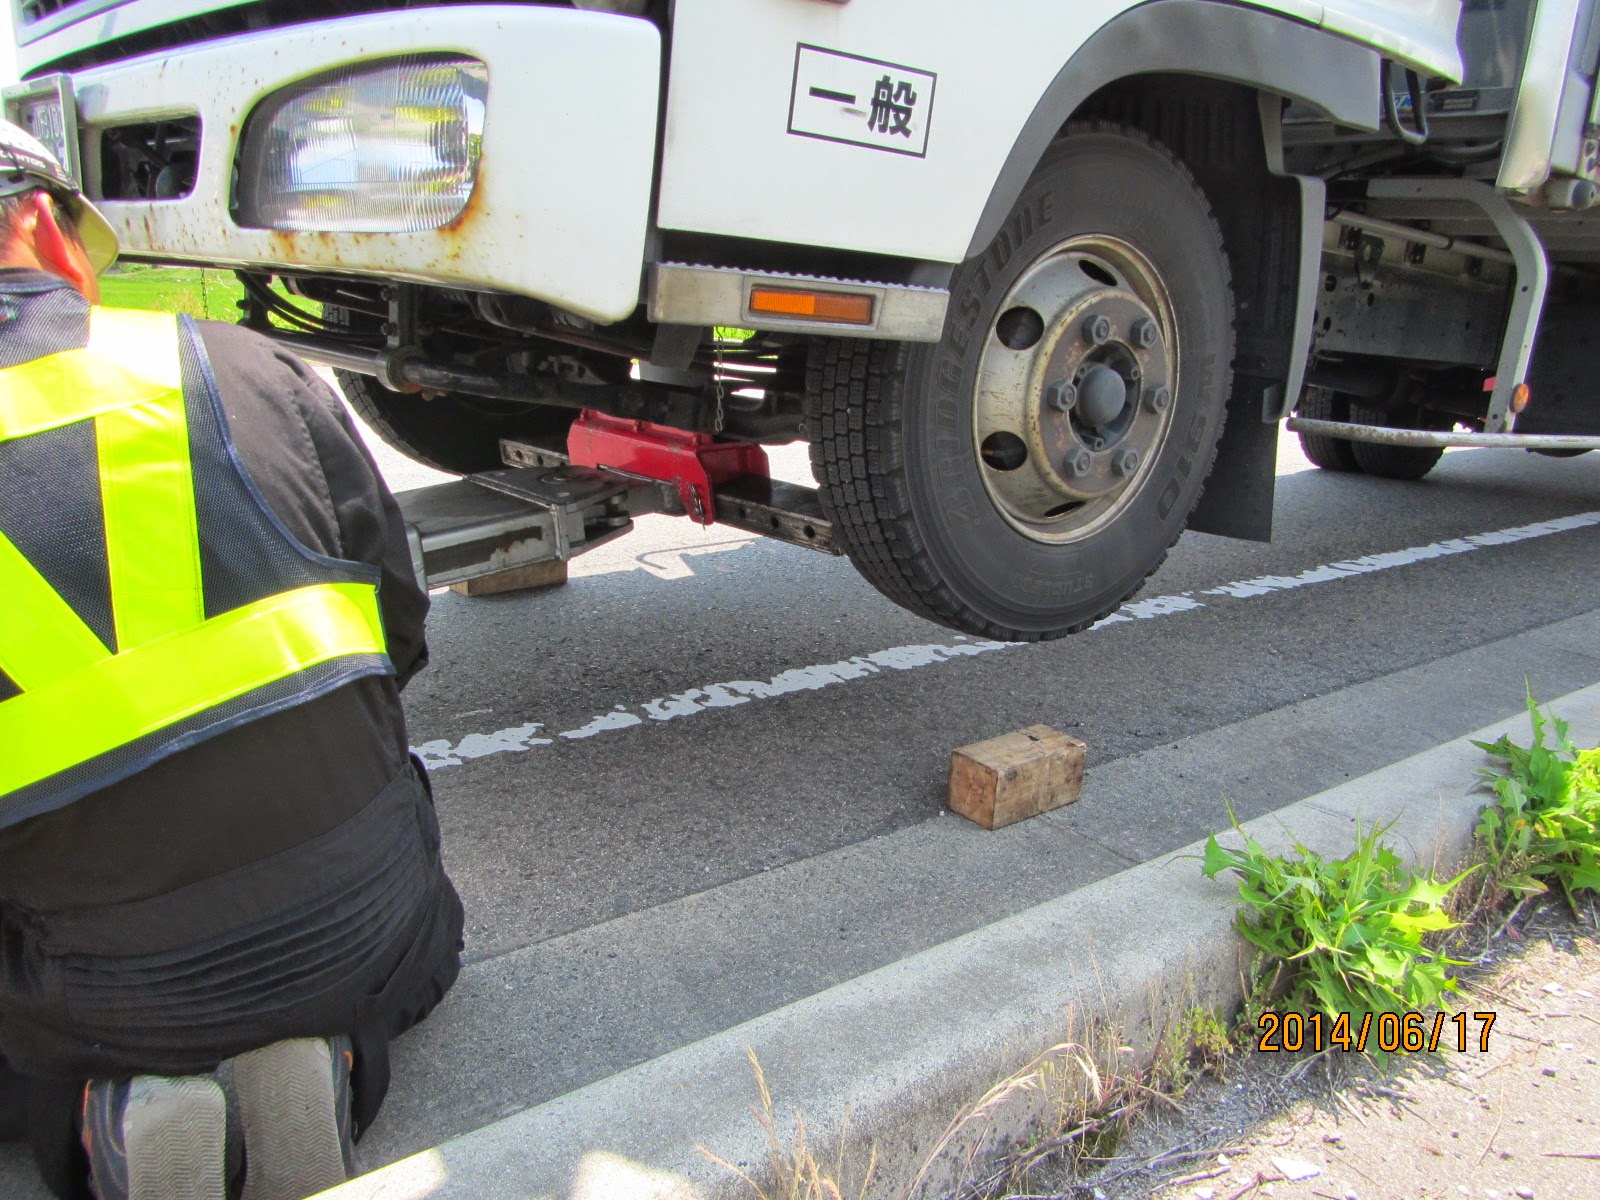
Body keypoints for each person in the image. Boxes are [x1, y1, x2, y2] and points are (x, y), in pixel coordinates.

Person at [0, 120, 464, 1200]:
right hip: (375, 929)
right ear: (38, 222)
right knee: (386, 815)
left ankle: (109, 1106)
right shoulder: (249, 366)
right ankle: (328, 1058)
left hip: (99, 990)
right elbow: (399, 637)